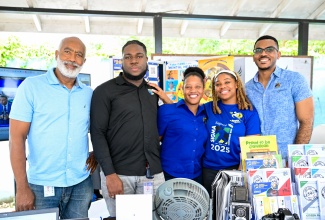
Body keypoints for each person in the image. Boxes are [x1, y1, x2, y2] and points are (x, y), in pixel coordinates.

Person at [9, 36, 94, 219]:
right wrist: (22, 187)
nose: (72, 58)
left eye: (79, 55)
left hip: (81, 184)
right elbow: (16, 139)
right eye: (67, 51)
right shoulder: (31, 87)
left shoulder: (88, 93)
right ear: (56, 54)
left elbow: (99, 130)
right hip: (41, 186)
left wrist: (97, 153)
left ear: (84, 61)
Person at [90, 40, 165, 219]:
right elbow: (97, 133)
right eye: (128, 57)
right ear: (122, 61)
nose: (134, 61)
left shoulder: (153, 92)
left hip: (152, 175)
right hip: (119, 175)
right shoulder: (104, 91)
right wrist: (109, 174)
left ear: (146, 60)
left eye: (139, 56)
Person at [246, 35, 314, 163]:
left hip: (286, 160)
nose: (263, 54)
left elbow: (306, 121)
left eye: (270, 49)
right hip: (255, 160)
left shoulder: (294, 80)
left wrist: (295, 157)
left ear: (278, 55)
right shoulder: (247, 88)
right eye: (258, 50)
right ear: (253, 57)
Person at [202, 69, 261, 196]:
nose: (222, 86)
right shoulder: (208, 107)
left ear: (236, 84)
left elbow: (251, 148)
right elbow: (186, 113)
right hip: (208, 170)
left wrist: (239, 174)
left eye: (227, 82)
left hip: (234, 170)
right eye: (218, 84)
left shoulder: (248, 111)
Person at [157, 67, 208, 183]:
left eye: (197, 87)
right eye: (188, 87)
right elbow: (154, 142)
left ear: (203, 89)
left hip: (197, 176)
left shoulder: (207, 112)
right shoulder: (167, 111)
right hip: (169, 175)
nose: (193, 90)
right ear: (182, 89)